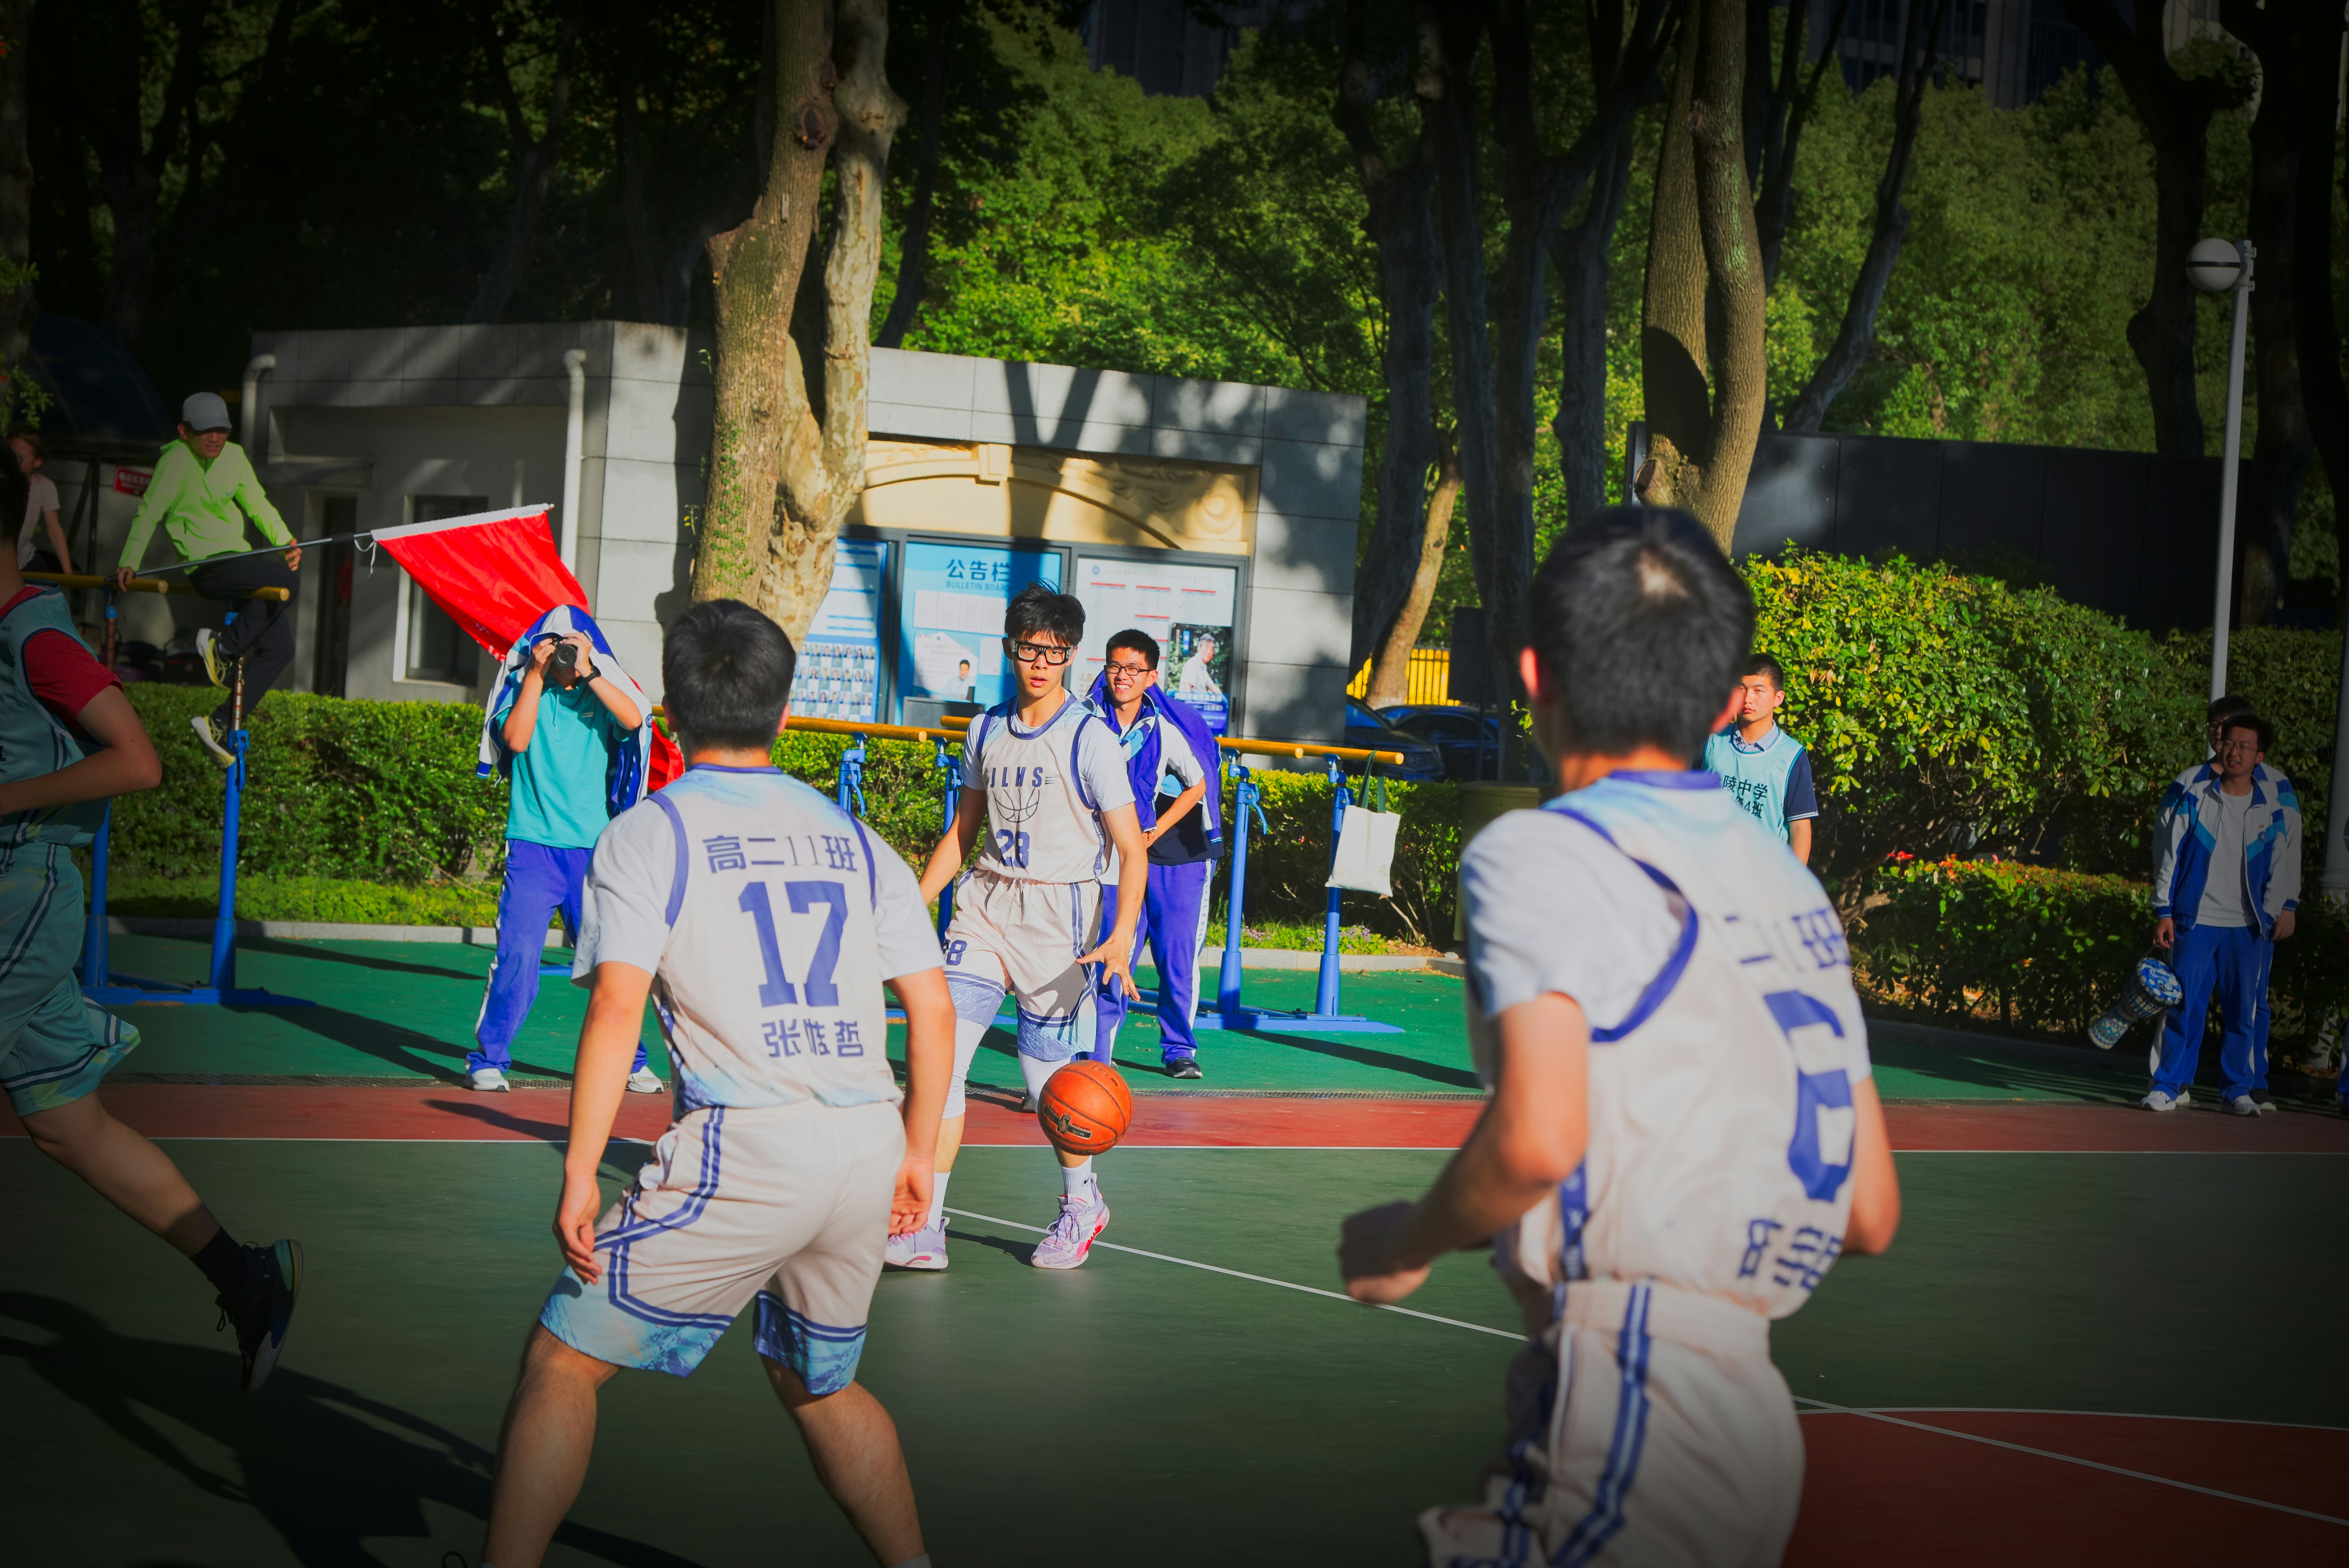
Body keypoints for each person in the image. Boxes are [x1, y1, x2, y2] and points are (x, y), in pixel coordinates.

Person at [1338, 506, 1901, 1567]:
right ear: (1725, 693)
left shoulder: (1541, 853)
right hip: (1749, 1411)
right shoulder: (1789, 888)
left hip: (1629, 1394)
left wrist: (1408, 1242)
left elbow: (1539, 1137)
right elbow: (1869, 1209)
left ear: (1535, 675)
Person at [478, 599, 953, 1568]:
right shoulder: (857, 837)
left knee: (561, 1360)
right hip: (866, 1141)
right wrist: (917, 1156)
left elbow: (617, 1007)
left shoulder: (648, 832)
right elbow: (933, 1010)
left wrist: (578, 1172)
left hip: (746, 1145)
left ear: (671, 710)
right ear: (784, 708)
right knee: (817, 1383)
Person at [0, 513, 302, 1394]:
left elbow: (137, 762)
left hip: (22, 892)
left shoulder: (38, 640)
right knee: (69, 1126)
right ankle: (247, 1279)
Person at [890, 583, 1148, 1274]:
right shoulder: (984, 729)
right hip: (986, 907)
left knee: (1050, 1089)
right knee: (941, 1065)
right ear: (1010, 648)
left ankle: (1082, 1201)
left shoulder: (1090, 738)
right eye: (1030, 648)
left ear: (1071, 656)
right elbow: (962, 832)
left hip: (1061, 921)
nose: (1040, 663)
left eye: (1055, 652)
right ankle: (923, 1224)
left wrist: (1122, 934)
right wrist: (910, 904)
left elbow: (1133, 849)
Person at [469, 606, 660, 1094]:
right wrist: (536, 673)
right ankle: (489, 1059)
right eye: (556, 644)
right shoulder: (527, 689)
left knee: (609, 962)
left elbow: (634, 717)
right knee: (517, 957)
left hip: (592, 851)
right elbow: (515, 740)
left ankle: (632, 1058)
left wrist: (590, 669)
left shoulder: (600, 690)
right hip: (533, 846)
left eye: (572, 643)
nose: (564, 654)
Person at [113, 392, 302, 768]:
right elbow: (149, 513)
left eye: (222, 430)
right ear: (184, 431)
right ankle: (224, 647)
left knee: (281, 648)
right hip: (207, 566)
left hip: (239, 560)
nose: (215, 438)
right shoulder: (174, 461)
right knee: (287, 582)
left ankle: (218, 723)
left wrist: (285, 540)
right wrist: (129, 560)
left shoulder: (235, 457)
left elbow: (257, 503)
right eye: (205, 432)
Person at [2150, 713, 2300, 1116]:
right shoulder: (2197, 796)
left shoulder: (2270, 806)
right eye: (2230, 743)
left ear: (2259, 756)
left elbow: (2282, 864)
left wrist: (2278, 909)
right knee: (2182, 1006)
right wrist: (2164, 910)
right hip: (2195, 922)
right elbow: (2170, 856)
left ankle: (2237, 1089)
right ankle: (2166, 1086)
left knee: (2242, 1013)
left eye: (2244, 746)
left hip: (2247, 929)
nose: (2234, 752)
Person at [1087, 627, 1219, 1079]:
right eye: (1115, 666)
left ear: (1151, 676)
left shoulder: (1166, 725)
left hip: (1175, 854)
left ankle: (1179, 1048)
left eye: (1134, 668)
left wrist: (1155, 829)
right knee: (1113, 951)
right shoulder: (1086, 719)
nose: (1122, 676)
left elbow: (1199, 784)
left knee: (1176, 958)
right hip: (1112, 856)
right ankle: (1098, 1051)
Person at [1703, 652, 1819, 865]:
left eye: (1758, 691)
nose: (1748, 698)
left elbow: (1801, 829)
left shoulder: (1792, 757)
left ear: (1778, 698)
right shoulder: (1711, 741)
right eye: (1741, 689)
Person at [10, 429, 72, 574]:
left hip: (22, 556)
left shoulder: (44, 486)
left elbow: (54, 529)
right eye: (9, 454)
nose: (13, 460)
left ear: (37, 461)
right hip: (4, 556)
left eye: (20, 458)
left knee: (48, 579)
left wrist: (68, 569)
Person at [1176, 631, 1221, 696]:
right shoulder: (1193, 664)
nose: (1209, 652)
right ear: (1199, 648)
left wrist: (1226, 701)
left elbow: (1214, 688)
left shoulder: (1202, 666)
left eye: (1212, 649)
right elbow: (1187, 689)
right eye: (1207, 647)